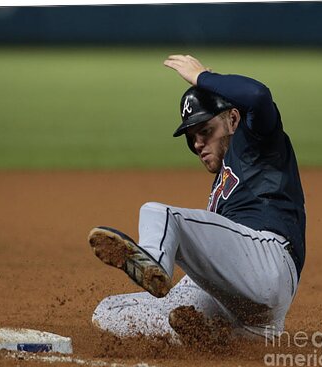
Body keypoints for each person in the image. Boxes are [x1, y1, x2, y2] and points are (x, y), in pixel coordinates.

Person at [88, 54, 306, 343]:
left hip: (268, 260)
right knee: (109, 311)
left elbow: (258, 95)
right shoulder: (222, 184)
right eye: (192, 137)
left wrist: (202, 76)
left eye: (205, 131)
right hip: (250, 311)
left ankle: (154, 263)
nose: (198, 143)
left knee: (160, 214)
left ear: (232, 119)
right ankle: (214, 333)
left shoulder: (257, 141)